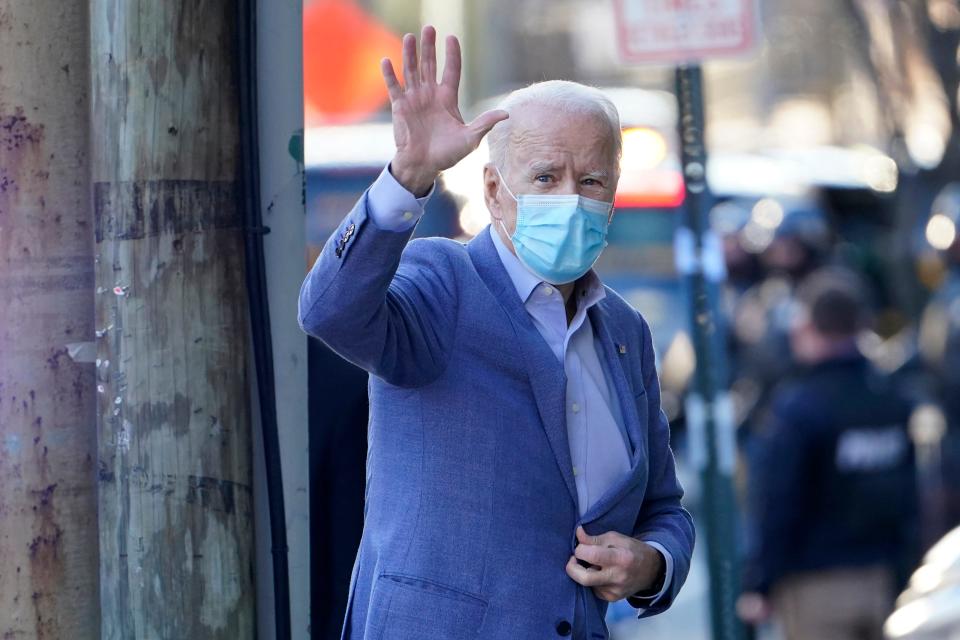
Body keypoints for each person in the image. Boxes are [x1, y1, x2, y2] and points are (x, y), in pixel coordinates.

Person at [298, 26, 694, 640]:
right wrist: (407, 178)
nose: (571, 198)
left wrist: (652, 565)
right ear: (493, 191)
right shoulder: (443, 281)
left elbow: (664, 508)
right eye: (545, 177)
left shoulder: (623, 330)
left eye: (591, 181)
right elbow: (329, 312)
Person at [737, 268, 917, 640]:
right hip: (885, 582)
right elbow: (910, 496)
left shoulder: (800, 408)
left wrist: (760, 582)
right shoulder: (891, 399)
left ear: (807, 325)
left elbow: (780, 502)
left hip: (815, 585)